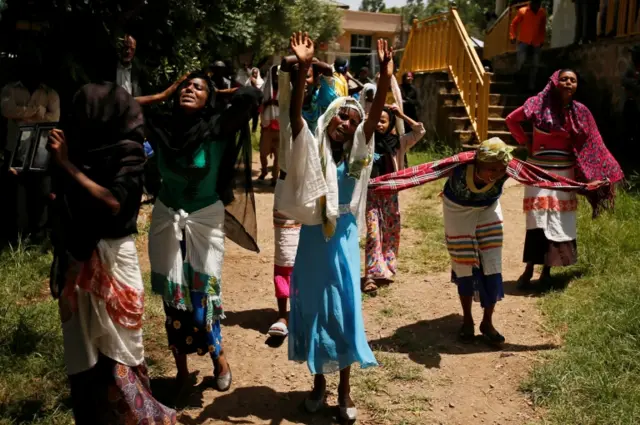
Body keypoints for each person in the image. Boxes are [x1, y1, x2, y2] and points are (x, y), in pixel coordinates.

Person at [368, 138, 611, 344]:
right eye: (489, 168)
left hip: (488, 208)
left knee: (492, 262)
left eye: (499, 169)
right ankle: (467, 320)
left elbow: (542, 177)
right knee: (464, 264)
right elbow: (418, 175)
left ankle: (487, 322)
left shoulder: (509, 166)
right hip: (457, 210)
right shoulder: (460, 163)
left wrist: (581, 186)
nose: (495, 174)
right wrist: (373, 185)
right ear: (478, 161)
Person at [278, 32, 394, 421]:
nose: (346, 122)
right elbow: (295, 119)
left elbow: (373, 118)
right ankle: (318, 386)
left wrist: (385, 72)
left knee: (344, 312)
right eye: (341, 115)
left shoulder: (360, 157)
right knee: (312, 311)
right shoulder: (313, 149)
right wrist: (305, 69)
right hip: (313, 240)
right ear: (329, 119)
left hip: (342, 238)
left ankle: (345, 391)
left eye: (352, 118)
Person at [47, 83, 176, 424]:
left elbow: (113, 203)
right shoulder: (75, 149)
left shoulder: (129, 155)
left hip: (113, 260)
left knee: (119, 350)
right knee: (83, 352)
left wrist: (67, 167)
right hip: (77, 259)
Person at [146, 72, 261, 393]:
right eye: (185, 85)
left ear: (208, 98)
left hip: (204, 219)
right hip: (166, 218)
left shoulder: (217, 127)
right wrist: (161, 95)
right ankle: (181, 369)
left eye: (197, 87)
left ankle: (218, 357)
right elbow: (124, 106)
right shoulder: (162, 127)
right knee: (174, 301)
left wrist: (221, 90)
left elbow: (251, 97)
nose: (188, 89)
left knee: (201, 300)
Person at [505, 69, 624, 290]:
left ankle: (547, 272)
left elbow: (593, 142)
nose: (568, 83)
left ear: (577, 86)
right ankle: (529, 268)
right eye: (564, 79)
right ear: (554, 81)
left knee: (558, 219)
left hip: (565, 173)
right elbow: (511, 120)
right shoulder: (536, 105)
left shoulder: (581, 112)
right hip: (538, 171)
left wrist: (604, 170)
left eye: (573, 80)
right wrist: (524, 142)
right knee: (538, 218)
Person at [266, 55, 339, 338]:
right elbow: (285, 71)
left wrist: (313, 63)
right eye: (298, 75)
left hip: (319, 189)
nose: (302, 78)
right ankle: (283, 315)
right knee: (285, 252)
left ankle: (310, 308)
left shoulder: (324, 108)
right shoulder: (287, 105)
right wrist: (297, 63)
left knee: (315, 250)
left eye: (307, 75)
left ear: (316, 79)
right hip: (288, 188)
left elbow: (331, 81)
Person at [362, 104, 425, 293]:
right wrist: (367, 118)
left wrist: (401, 114)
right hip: (371, 193)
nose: (379, 125)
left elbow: (419, 131)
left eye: (383, 121)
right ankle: (370, 276)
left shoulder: (398, 142)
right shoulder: (365, 141)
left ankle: (387, 268)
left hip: (391, 193)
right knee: (373, 232)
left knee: (391, 229)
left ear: (390, 123)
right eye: (376, 121)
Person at [1, 60, 60, 241]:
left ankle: (39, 233)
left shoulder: (50, 93)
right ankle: (19, 234)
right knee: (18, 192)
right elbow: (6, 110)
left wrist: (22, 115)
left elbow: (54, 117)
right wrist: (37, 111)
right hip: (15, 149)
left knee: (41, 190)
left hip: (40, 150)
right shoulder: (10, 89)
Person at [510, 0, 547, 90]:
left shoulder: (542, 13)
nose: (537, 6)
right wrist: (512, 36)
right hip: (524, 40)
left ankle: (531, 86)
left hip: (536, 42)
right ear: (532, 4)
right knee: (521, 62)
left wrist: (542, 40)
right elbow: (513, 24)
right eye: (536, 4)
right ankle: (517, 82)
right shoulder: (523, 11)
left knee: (535, 64)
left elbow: (542, 27)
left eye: (539, 5)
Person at [259, 64, 280, 185]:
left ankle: (275, 178)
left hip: (279, 127)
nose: (276, 77)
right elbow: (259, 106)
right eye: (274, 74)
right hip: (267, 127)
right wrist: (268, 103)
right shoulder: (264, 89)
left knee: (278, 155)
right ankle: (264, 170)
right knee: (263, 152)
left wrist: (278, 104)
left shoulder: (286, 89)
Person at [622, 45, 640, 151]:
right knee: (629, 127)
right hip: (630, 103)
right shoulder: (631, 68)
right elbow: (624, 80)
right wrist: (635, 83)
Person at [248, 67, 264, 132]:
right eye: (253, 73)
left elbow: (261, 92)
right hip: (249, 102)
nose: (254, 74)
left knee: (255, 117)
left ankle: (254, 129)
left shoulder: (261, 82)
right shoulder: (248, 81)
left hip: (257, 102)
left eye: (256, 73)